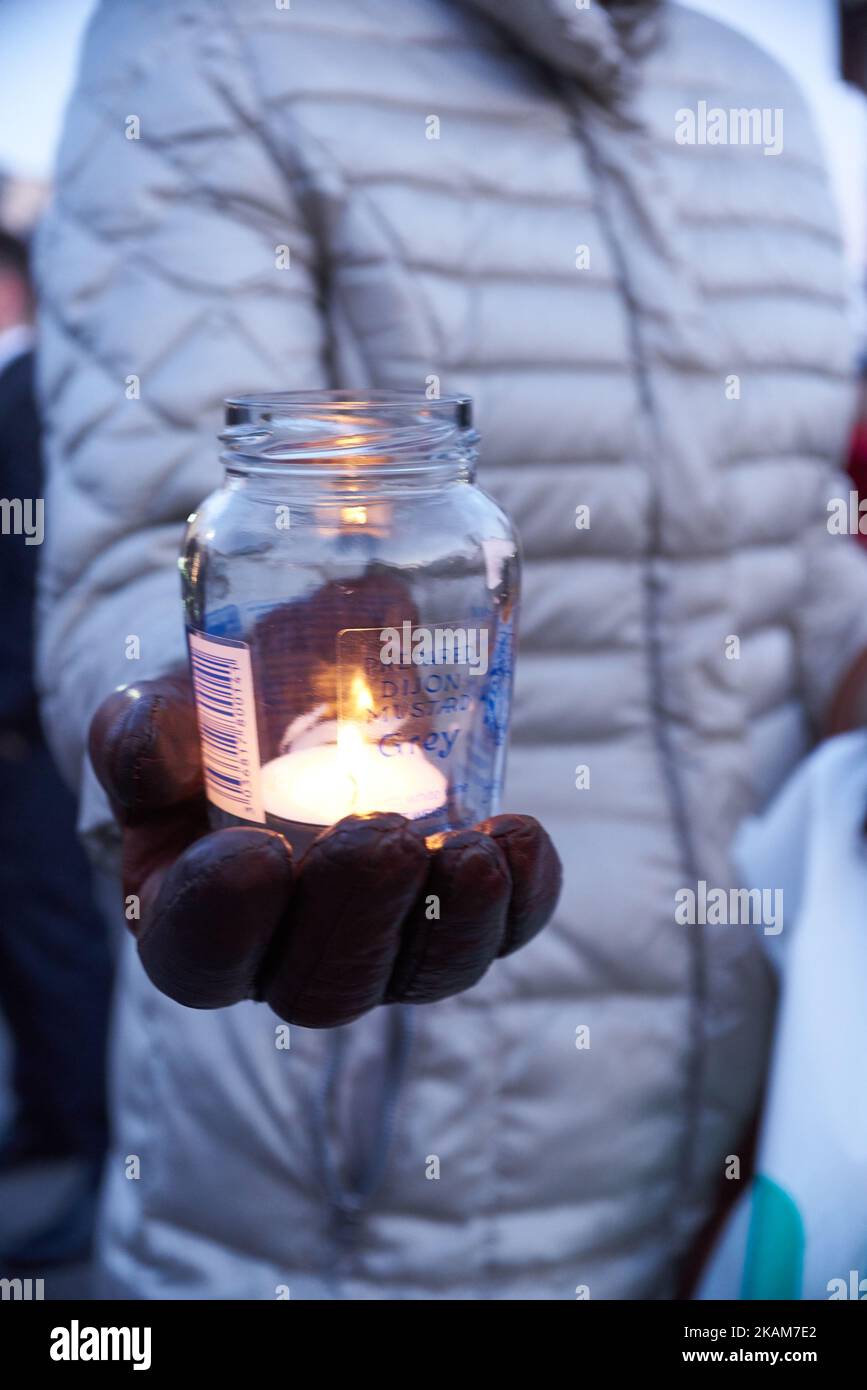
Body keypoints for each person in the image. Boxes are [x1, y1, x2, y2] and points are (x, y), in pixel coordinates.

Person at [34, 0, 867, 1300]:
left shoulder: (750, 87)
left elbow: (795, 543)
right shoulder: (205, 37)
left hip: (741, 1110)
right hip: (353, 1176)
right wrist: (173, 778)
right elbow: (150, 536)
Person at [0, 230, 111, 1267]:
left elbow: (37, 572)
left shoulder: (33, 394)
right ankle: (47, 1117)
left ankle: (91, 1160)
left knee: (57, 945)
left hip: (22, 736)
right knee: (24, 954)